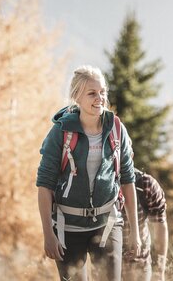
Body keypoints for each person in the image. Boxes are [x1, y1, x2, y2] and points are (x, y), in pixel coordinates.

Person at [36, 65, 141, 281]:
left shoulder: (116, 129)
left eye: (102, 92)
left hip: (107, 223)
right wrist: (48, 235)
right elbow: (44, 185)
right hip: (68, 227)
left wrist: (136, 234)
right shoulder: (60, 132)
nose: (100, 98)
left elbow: (127, 180)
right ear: (77, 97)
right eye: (92, 93)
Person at [122, 146, 169, 281]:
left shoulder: (146, 184)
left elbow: (160, 225)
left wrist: (160, 271)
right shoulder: (102, 185)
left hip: (140, 265)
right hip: (108, 263)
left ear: (131, 156)